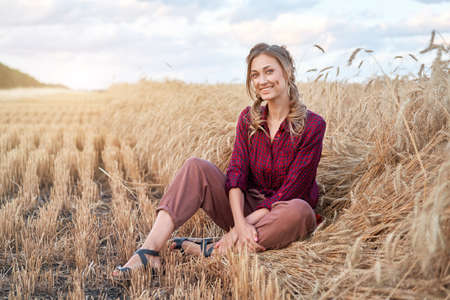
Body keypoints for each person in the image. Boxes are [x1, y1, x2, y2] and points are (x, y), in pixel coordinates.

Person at [112, 43, 326, 277]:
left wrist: (237, 231)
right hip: (245, 210)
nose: (262, 80)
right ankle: (148, 252)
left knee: (300, 211)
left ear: (287, 72)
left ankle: (214, 250)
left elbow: (290, 191)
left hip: (281, 214)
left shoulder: (313, 125)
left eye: (269, 71)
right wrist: (239, 224)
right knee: (196, 167)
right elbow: (236, 175)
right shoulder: (248, 119)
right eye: (255, 75)